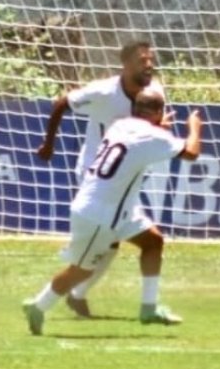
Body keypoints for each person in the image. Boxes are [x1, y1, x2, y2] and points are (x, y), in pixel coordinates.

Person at [23, 89, 202, 336]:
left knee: (153, 242)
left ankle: (149, 309)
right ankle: (38, 306)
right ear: (159, 112)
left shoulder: (120, 125)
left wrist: (157, 126)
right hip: (100, 213)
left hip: (117, 209)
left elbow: (140, 140)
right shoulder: (153, 136)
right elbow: (191, 153)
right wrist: (194, 127)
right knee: (82, 270)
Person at [36, 40, 167, 317]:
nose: (149, 65)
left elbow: (154, 126)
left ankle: (69, 297)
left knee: (114, 242)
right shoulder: (103, 91)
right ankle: (56, 299)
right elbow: (62, 104)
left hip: (125, 176)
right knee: (119, 240)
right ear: (126, 64)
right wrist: (49, 144)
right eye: (142, 60)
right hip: (95, 173)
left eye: (151, 59)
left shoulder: (154, 92)